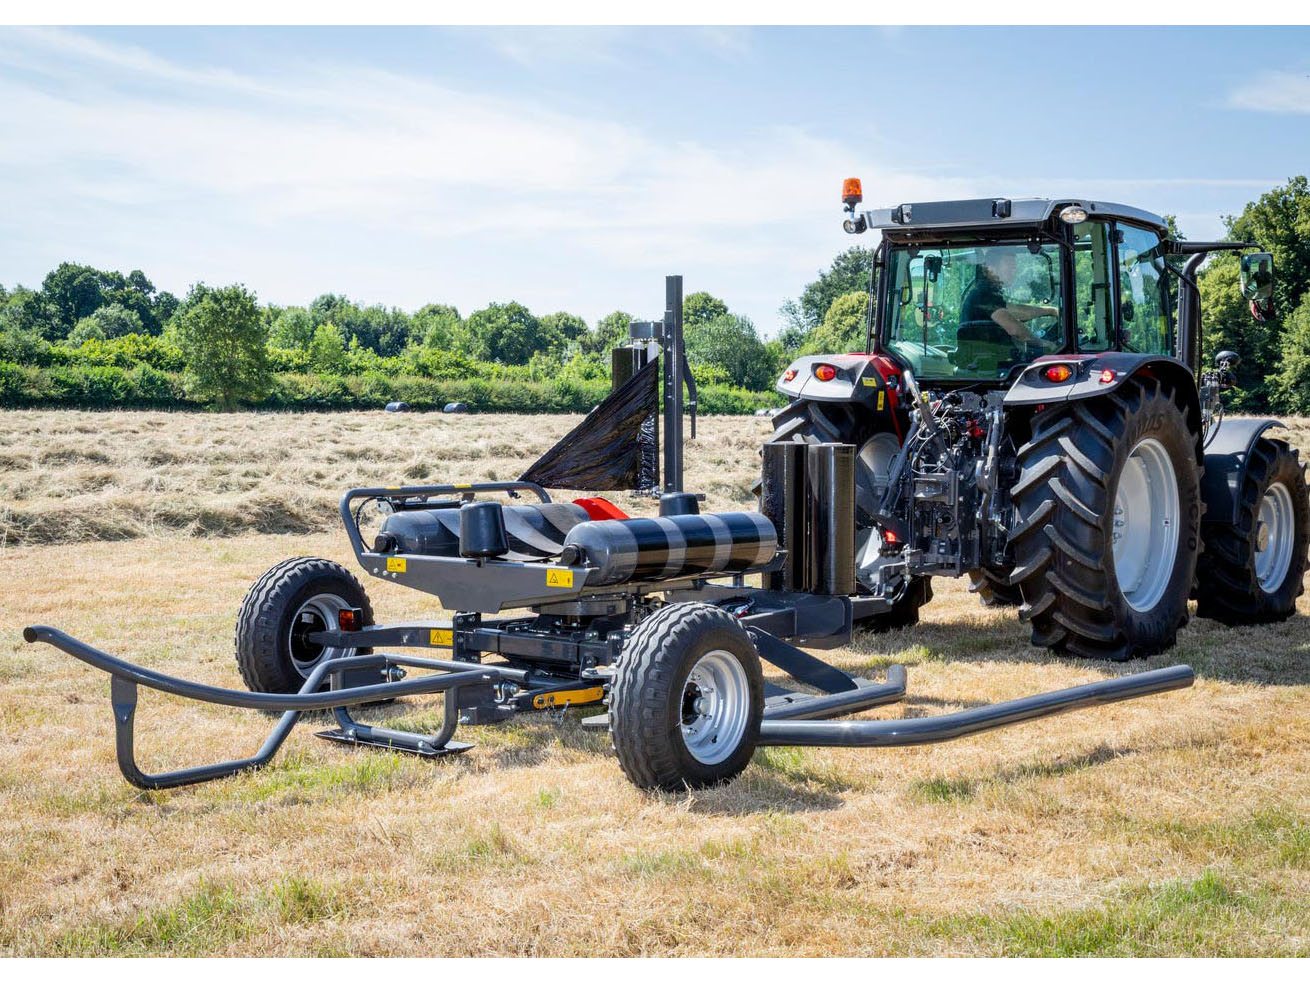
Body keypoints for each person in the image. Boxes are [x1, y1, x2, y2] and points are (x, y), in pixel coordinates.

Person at [959, 247, 1058, 345]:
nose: (1013, 271)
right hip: (990, 357)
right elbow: (1015, 330)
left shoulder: (988, 294)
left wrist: (1050, 311)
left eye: (1014, 267)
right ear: (991, 268)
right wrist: (1043, 343)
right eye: (1009, 266)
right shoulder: (983, 295)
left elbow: (1017, 311)